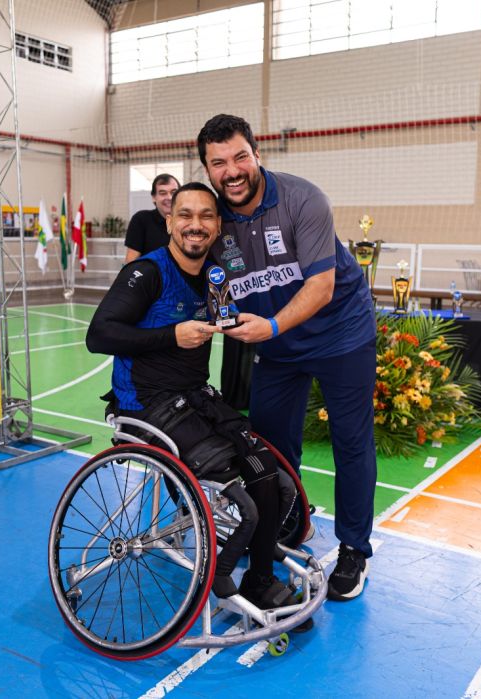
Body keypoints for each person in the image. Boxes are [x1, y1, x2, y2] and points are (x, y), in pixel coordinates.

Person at [86, 183, 303, 612]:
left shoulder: (214, 274)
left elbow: (221, 318)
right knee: (244, 503)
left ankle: (260, 578)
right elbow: (99, 336)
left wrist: (241, 323)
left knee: (273, 478)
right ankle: (223, 577)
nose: (195, 225)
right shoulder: (147, 273)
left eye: (206, 216)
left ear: (218, 226)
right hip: (145, 405)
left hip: (195, 399)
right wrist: (172, 335)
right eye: (185, 215)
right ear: (169, 221)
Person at [197, 114, 376, 601]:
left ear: (257, 155)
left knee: (351, 442)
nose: (232, 171)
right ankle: (291, 522)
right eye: (219, 163)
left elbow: (321, 286)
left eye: (240, 157)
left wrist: (271, 326)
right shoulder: (214, 219)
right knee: (270, 446)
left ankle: (354, 550)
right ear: (208, 170)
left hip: (341, 334)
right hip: (278, 346)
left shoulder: (303, 199)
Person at [123, 174, 180, 262]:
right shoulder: (141, 220)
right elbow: (131, 262)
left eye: (173, 192)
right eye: (163, 193)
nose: (169, 197)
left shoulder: (188, 222)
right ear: (154, 197)